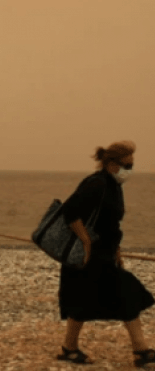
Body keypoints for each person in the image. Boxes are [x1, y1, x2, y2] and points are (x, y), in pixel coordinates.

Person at [57, 141, 154, 366]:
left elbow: (111, 223)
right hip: (87, 255)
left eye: (131, 165)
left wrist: (117, 250)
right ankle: (141, 350)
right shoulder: (96, 184)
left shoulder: (113, 186)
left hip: (104, 254)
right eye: (126, 165)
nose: (129, 170)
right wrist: (86, 240)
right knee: (126, 292)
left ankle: (69, 349)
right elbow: (70, 211)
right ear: (111, 164)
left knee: (83, 299)